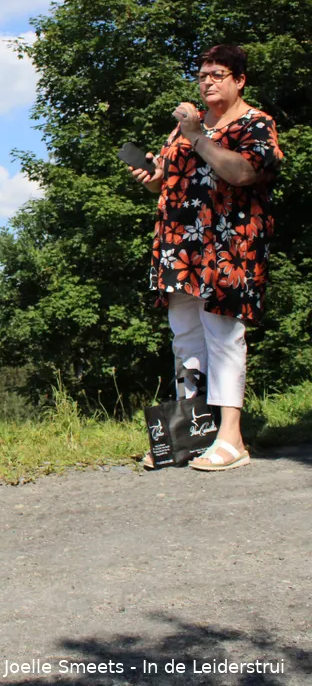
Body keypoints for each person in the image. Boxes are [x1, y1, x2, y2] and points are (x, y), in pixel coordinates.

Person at [127, 44, 283, 471]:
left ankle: (232, 439)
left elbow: (243, 172)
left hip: (229, 246)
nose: (208, 82)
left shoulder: (255, 124)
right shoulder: (184, 128)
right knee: (186, 338)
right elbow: (165, 181)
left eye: (218, 74)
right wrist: (151, 177)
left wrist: (198, 136)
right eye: (202, 76)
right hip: (181, 246)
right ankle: (191, 434)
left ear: (239, 80)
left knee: (223, 335)